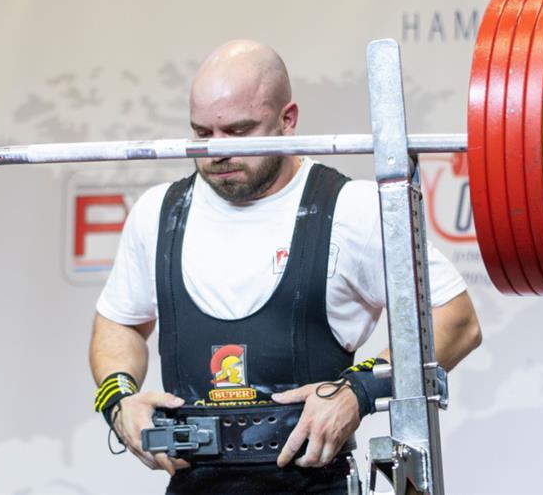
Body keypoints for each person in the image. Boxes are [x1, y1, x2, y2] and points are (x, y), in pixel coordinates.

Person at [89, 39, 482, 494]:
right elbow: (119, 323)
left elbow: (457, 321)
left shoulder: (351, 210)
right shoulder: (158, 213)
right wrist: (118, 401)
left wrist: (358, 392)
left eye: (238, 131)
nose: (216, 151)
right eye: (202, 133)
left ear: (288, 120)